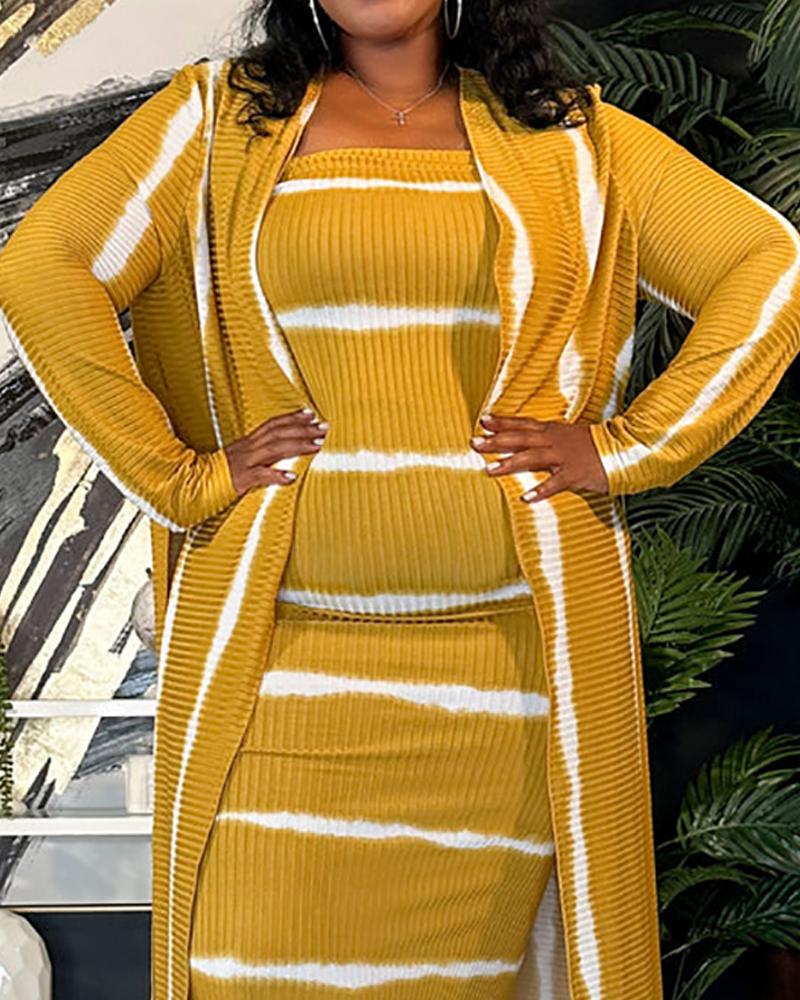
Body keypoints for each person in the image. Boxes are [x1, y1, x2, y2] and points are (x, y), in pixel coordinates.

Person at [1, 1, 798, 998]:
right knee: (240, 965)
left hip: (497, 689)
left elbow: (766, 265)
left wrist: (626, 449)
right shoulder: (216, 121)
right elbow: (45, 265)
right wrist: (175, 474)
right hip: (277, 677)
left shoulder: (566, 134)